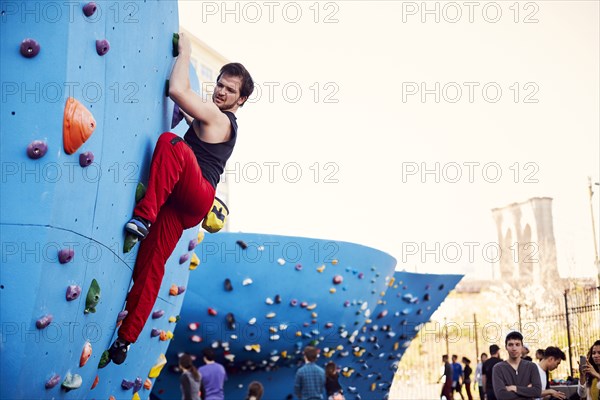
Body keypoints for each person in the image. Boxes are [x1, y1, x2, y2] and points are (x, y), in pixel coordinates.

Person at [107, 31, 254, 364]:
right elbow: (193, 119)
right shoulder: (211, 120)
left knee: (172, 145)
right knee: (152, 264)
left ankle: (143, 218)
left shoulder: (220, 118)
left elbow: (177, 90)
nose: (221, 91)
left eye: (230, 90)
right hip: (180, 203)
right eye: (220, 84)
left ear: (240, 101)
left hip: (196, 192)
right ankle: (125, 340)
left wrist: (185, 50)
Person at [492, 331, 542, 400]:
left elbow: (537, 392)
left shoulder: (532, 366)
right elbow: (501, 396)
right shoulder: (498, 368)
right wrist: (527, 391)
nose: (514, 348)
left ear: (522, 347)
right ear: (506, 347)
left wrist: (515, 388)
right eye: (510, 345)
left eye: (517, 344)